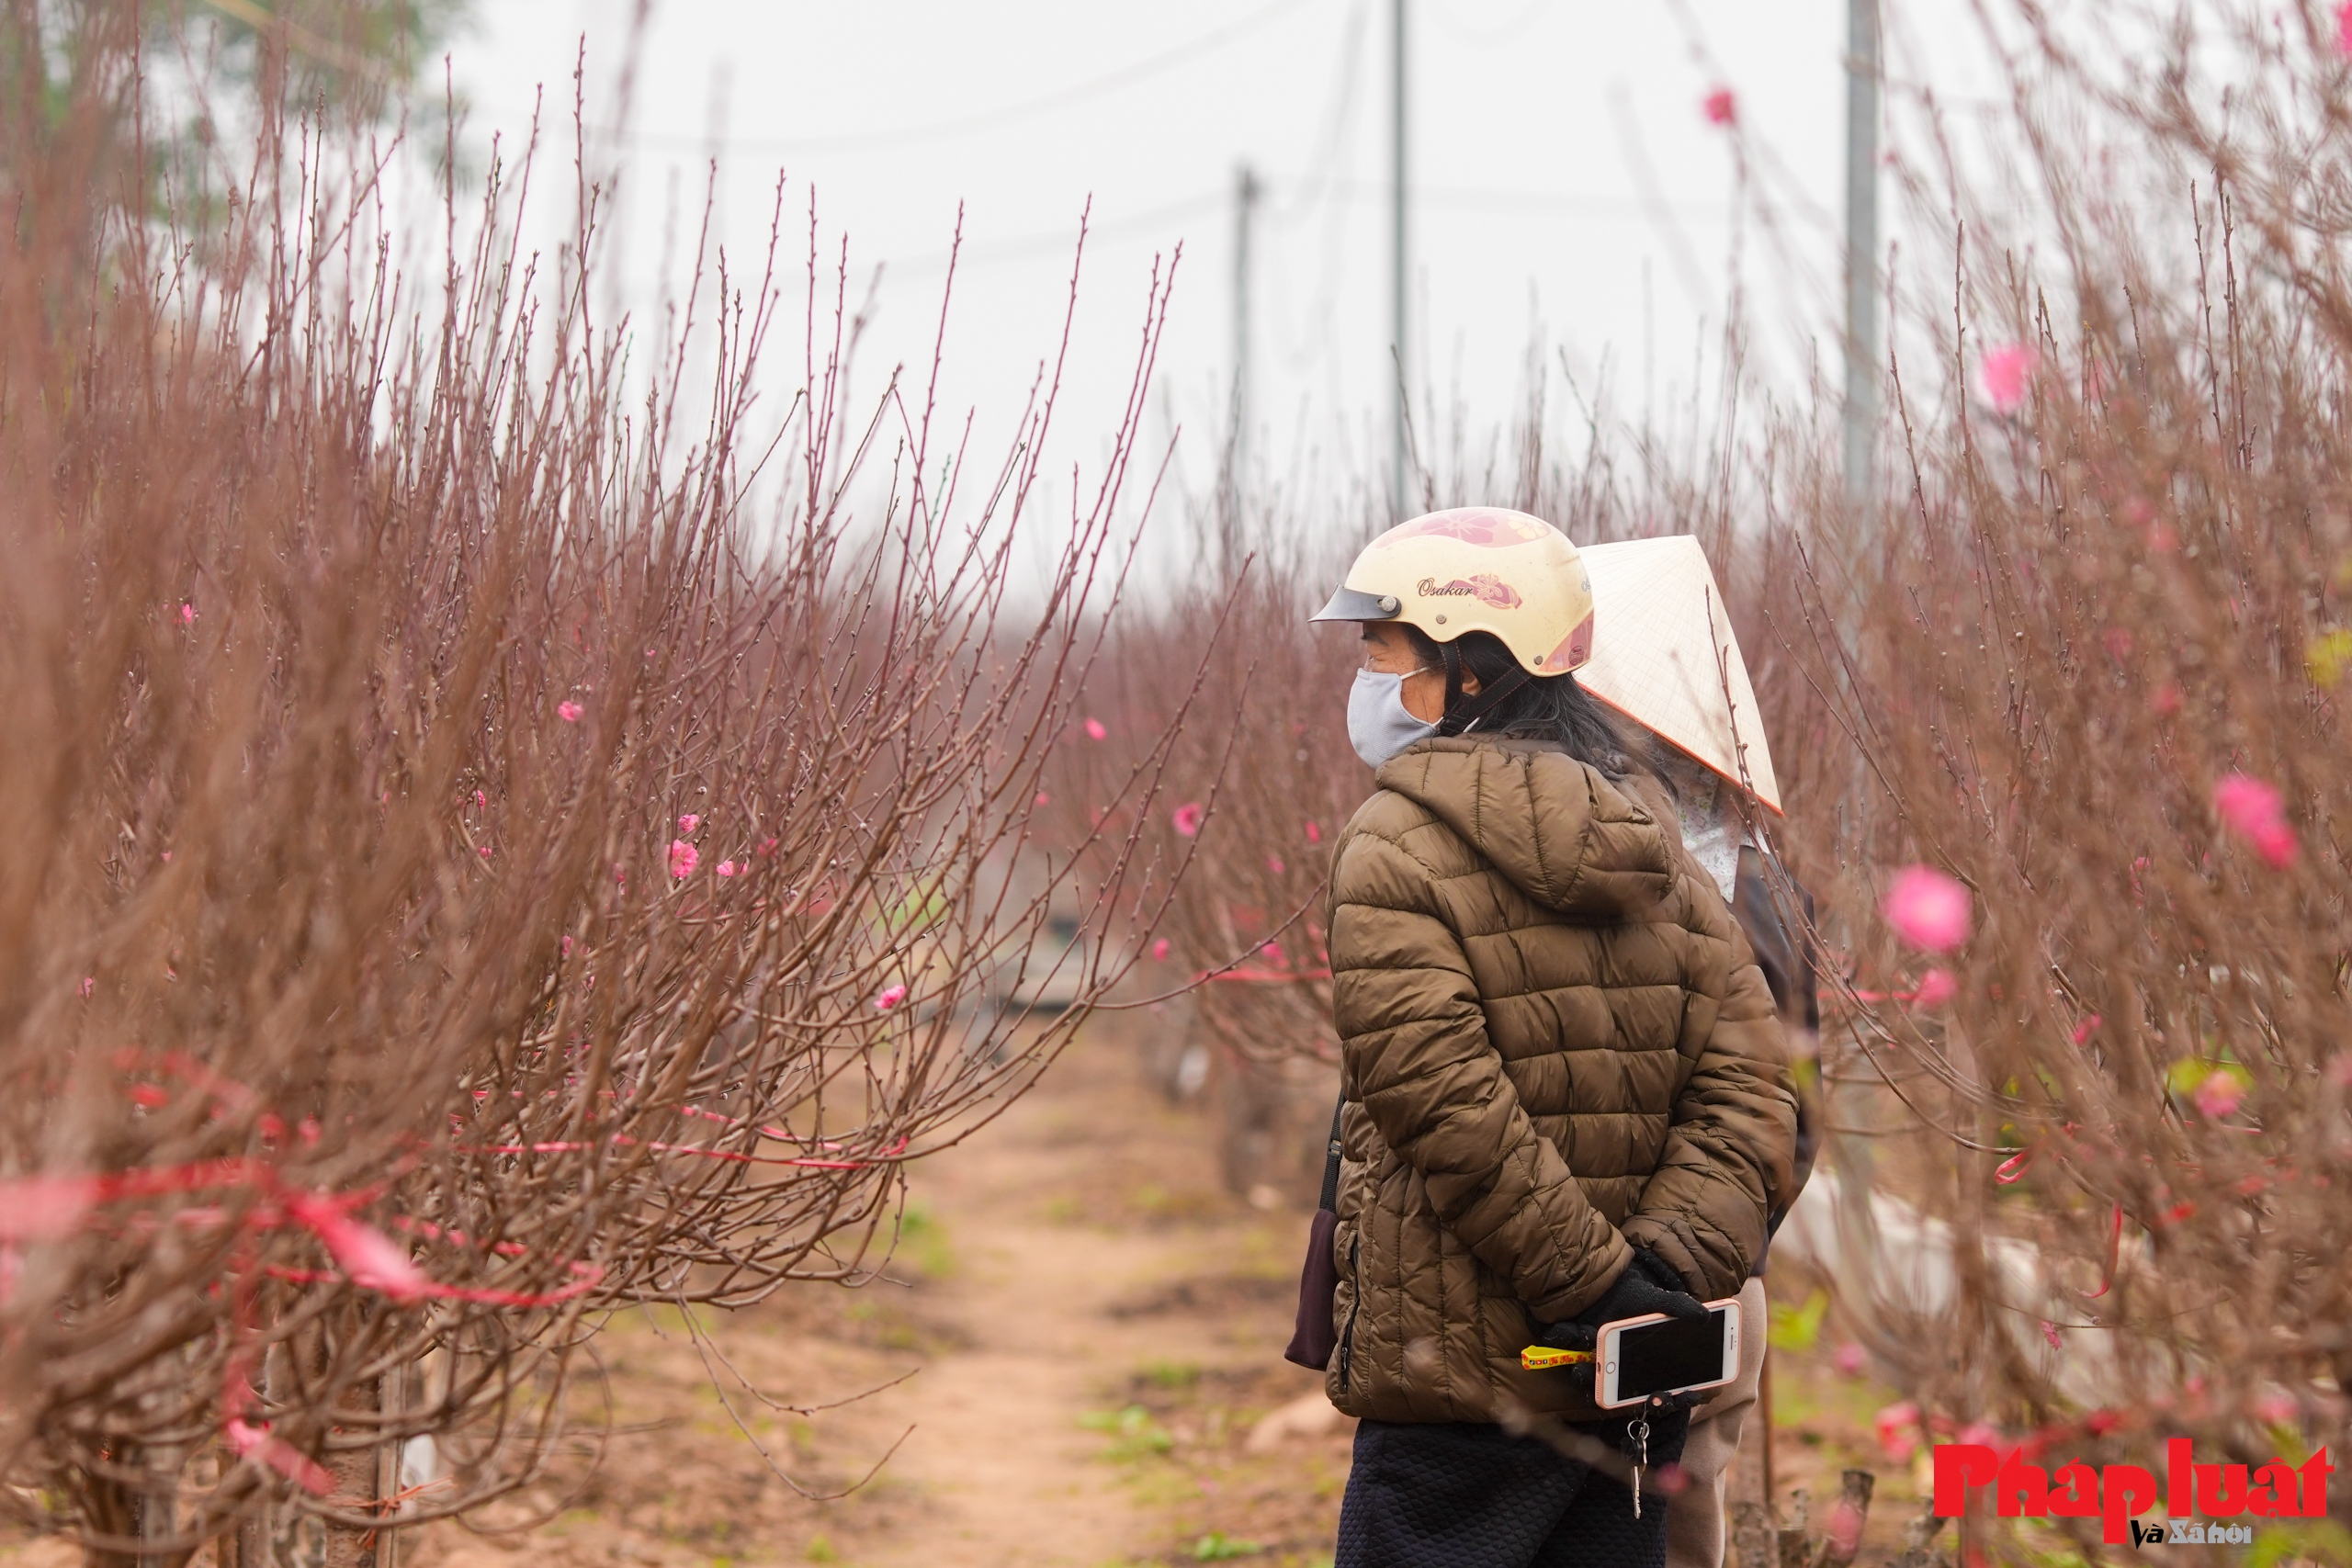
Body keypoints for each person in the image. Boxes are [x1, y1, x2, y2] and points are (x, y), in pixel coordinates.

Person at [1308, 507, 1798, 1568]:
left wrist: (1595, 1289)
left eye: (1383, 647)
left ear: (1470, 666)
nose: (1368, 671)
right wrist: (1658, 1279)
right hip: (1633, 1383)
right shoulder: (1653, 834)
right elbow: (1758, 1089)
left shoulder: (1395, 842)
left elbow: (1443, 1105)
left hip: (1462, 1386)